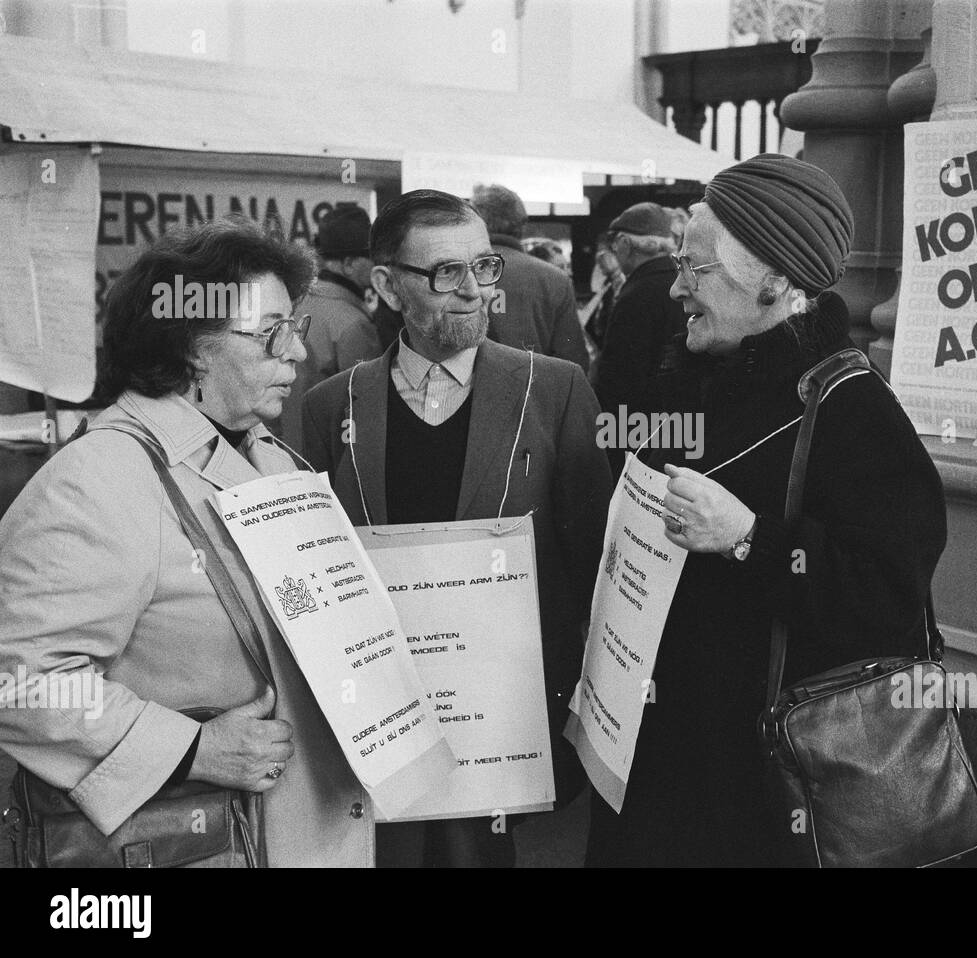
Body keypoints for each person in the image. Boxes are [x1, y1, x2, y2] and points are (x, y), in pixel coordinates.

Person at [584, 154, 948, 867]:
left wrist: (748, 537)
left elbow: (887, 593)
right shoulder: (695, 375)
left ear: (776, 281)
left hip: (758, 793)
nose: (678, 289)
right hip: (660, 758)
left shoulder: (853, 406)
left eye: (699, 270)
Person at [0, 219, 374, 867]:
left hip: (296, 822)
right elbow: (22, 682)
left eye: (296, 330)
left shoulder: (272, 458)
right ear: (194, 347)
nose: (297, 356)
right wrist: (190, 749)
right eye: (271, 335)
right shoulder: (97, 480)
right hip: (202, 840)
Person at [302, 189, 612, 868]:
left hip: (514, 730)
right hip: (385, 729)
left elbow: (597, 564)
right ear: (385, 284)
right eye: (446, 273)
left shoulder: (555, 392)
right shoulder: (332, 409)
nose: (475, 292)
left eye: (485, 267)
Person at [588, 202, 685, 470]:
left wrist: (609, 447)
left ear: (623, 242)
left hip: (638, 435)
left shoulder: (636, 294)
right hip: (680, 430)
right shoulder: (682, 280)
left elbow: (619, 382)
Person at [277, 204, 382, 450]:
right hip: (329, 463)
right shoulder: (353, 325)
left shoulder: (293, 307)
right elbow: (365, 412)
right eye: (370, 256)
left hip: (284, 455)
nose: (378, 264)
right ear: (348, 264)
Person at [471, 183, 589, 371]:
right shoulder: (555, 279)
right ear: (522, 224)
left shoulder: (458, 274)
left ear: (475, 222)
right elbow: (573, 360)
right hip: (535, 395)